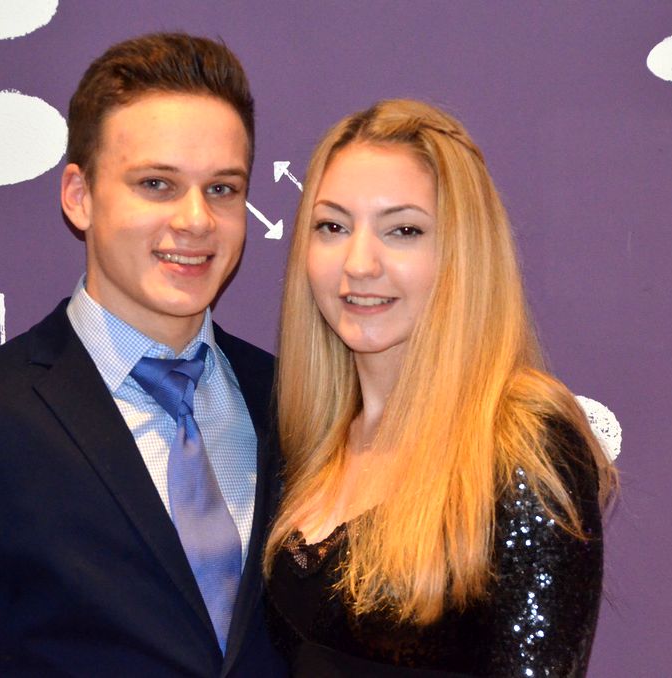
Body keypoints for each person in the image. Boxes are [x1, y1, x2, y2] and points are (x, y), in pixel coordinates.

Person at [0, 33, 286, 677]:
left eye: (222, 189)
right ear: (79, 196)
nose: (196, 220)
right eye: (157, 184)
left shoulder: (292, 405)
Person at [264, 99, 617, 676]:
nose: (359, 263)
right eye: (333, 226)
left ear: (462, 253)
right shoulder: (309, 441)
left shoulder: (523, 443)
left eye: (403, 230)